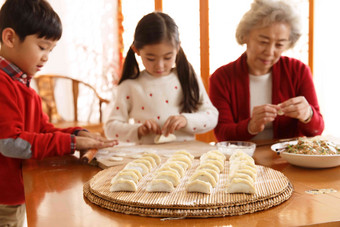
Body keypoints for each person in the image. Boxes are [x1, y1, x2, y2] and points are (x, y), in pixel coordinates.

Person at [0, 0, 118, 226]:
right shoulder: (3, 85)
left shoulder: (23, 86)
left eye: (50, 50)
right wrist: (70, 143)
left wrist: (78, 133)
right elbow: (10, 143)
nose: (46, 57)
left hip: (15, 194)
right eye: (42, 47)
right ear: (10, 38)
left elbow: (43, 130)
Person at [209, 0, 324, 142]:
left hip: (286, 159)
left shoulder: (298, 71)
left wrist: (308, 114)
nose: (270, 52)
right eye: (263, 42)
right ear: (245, 36)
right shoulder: (221, 77)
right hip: (242, 159)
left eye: (279, 44)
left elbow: (317, 130)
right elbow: (222, 134)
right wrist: (250, 126)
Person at [104, 12, 218, 144]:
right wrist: (138, 130)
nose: (160, 65)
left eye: (167, 57)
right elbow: (110, 129)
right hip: (145, 158)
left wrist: (186, 120)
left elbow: (212, 117)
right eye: (151, 58)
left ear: (177, 48)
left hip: (185, 156)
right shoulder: (130, 86)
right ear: (136, 51)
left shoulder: (189, 79)